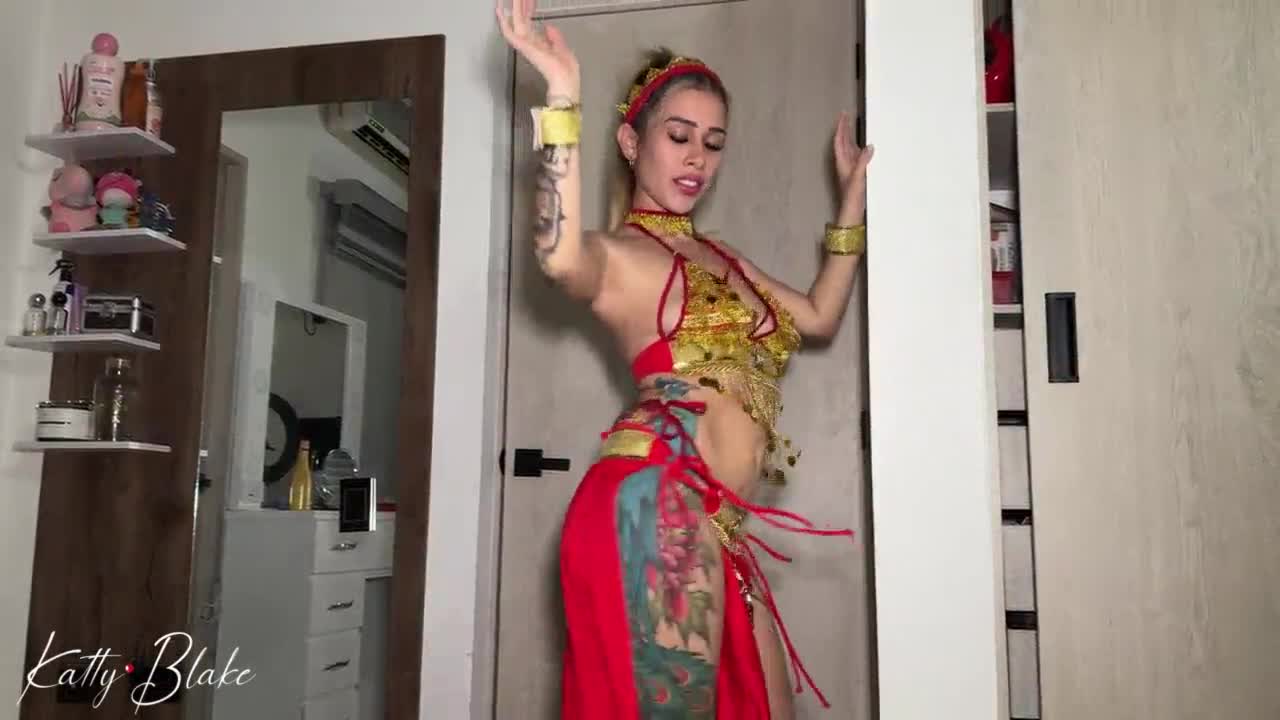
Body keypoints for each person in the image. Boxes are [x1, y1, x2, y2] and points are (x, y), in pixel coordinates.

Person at [497, 1, 872, 717]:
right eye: (678, 136)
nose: (697, 156)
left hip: (719, 523)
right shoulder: (623, 255)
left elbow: (820, 316)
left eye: (713, 142)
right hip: (657, 501)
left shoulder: (722, 257)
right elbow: (559, 256)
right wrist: (562, 99)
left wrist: (851, 204)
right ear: (631, 142)